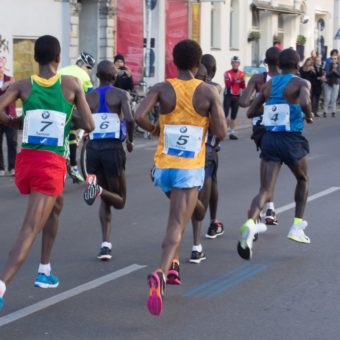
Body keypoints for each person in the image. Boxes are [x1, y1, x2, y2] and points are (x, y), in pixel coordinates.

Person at [0, 35, 94, 310]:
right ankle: (2, 284)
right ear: (58, 58)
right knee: (30, 227)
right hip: (49, 165)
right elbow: (88, 122)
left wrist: (14, 121)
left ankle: (45, 270)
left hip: (26, 163)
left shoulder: (22, 85)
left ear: (35, 58)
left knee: (56, 205)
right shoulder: (71, 84)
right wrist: (65, 117)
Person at [135, 39, 227, 316]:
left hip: (162, 167)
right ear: (198, 65)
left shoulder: (161, 88)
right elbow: (221, 132)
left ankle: (173, 267)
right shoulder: (208, 91)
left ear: (174, 62)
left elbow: (138, 116)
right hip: (189, 168)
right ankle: (160, 273)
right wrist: (205, 120)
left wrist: (156, 131)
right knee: (177, 222)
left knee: (180, 213)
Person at [237, 48, 314, 261]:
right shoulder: (301, 83)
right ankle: (297, 226)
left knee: (265, 189)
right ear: (297, 65)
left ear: (279, 65)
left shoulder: (270, 84)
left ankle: (251, 223)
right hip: (291, 140)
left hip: (270, 140)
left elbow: (251, 111)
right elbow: (306, 102)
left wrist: (272, 109)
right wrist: (309, 116)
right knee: (303, 179)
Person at [82, 60, 135, 260]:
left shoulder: (89, 97)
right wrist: (129, 140)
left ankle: (105, 245)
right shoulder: (121, 94)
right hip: (112, 149)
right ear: (114, 77)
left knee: (105, 200)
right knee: (120, 200)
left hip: (93, 149)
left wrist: (86, 132)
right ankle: (98, 190)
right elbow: (129, 118)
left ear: (98, 77)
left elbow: (80, 118)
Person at [239, 47, 281, 225]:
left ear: (265, 62)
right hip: (277, 127)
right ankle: (267, 207)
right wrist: (266, 104)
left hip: (259, 128)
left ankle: (267, 206)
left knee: (267, 163)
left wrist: (257, 101)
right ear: (280, 63)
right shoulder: (285, 81)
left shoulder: (258, 79)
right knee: (272, 166)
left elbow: (242, 102)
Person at [190, 54, 225, 264]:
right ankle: (201, 238)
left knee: (185, 195)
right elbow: (219, 128)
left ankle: (189, 246)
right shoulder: (213, 90)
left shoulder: (180, 90)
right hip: (207, 148)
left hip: (182, 152)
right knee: (203, 192)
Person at [59, 52, 96, 182]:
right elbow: (91, 97)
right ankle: (74, 166)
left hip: (55, 109)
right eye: (89, 68)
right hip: (69, 110)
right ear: (84, 65)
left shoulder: (62, 70)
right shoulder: (84, 76)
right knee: (75, 133)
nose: (89, 71)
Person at [0, 56, 17, 176]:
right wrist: (2, 88)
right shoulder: (6, 83)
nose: (0, 68)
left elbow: (13, 95)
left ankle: (13, 167)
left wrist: (8, 85)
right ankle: (1, 168)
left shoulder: (11, 79)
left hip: (10, 117)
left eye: (1, 66)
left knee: (12, 143)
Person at [223, 56, 245, 140]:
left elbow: (243, 86)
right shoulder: (227, 73)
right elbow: (228, 84)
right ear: (231, 63)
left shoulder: (242, 73)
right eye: (233, 62)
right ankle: (223, 131)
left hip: (237, 96)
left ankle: (232, 133)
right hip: (228, 95)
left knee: (234, 116)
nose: (235, 64)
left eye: (237, 62)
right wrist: (235, 79)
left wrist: (242, 81)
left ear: (239, 64)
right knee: (225, 114)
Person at [323, 53, 340, 118]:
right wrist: (332, 71)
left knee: (334, 98)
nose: (333, 60)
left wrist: (335, 71)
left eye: (335, 58)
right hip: (328, 83)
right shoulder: (328, 65)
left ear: (337, 59)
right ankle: (325, 111)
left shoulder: (339, 65)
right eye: (332, 59)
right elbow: (326, 74)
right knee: (327, 98)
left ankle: (333, 112)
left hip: (336, 83)